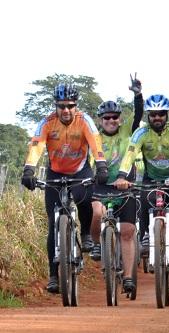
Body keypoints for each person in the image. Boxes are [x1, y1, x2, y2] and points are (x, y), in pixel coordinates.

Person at [21, 83, 108, 293]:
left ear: (76, 105)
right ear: (56, 106)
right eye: (61, 106)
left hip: (80, 171)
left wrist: (102, 165)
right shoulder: (47, 123)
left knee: (85, 199)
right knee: (53, 223)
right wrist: (29, 170)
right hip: (55, 172)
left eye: (70, 106)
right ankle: (53, 276)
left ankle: (86, 233)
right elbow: (36, 146)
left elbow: (96, 145)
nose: (66, 110)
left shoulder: (84, 121)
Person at [114, 94, 169, 290]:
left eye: (161, 114)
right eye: (153, 114)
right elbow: (129, 154)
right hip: (150, 180)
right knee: (144, 205)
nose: (157, 118)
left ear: (167, 115)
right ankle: (146, 235)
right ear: (148, 115)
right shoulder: (141, 133)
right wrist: (122, 175)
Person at [89, 74, 144, 293]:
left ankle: (129, 278)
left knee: (127, 232)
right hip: (102, 187)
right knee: (95, 213)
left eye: (115, 118)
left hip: (126, 186)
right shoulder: (94, 137)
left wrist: (138, 95)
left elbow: (138, 114)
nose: (111, 121)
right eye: (107, 118)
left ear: (120, 119)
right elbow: (88, 159)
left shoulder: (127, 131)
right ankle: (95, 244)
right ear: (100, 120)